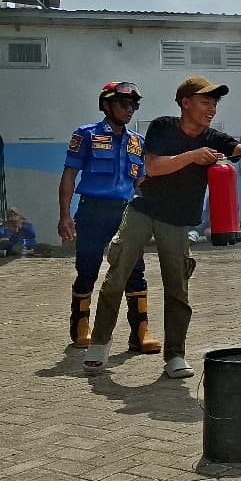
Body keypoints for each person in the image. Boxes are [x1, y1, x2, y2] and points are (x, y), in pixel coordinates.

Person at [83, 76, 241, 378]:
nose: (211, 108)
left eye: (214, 103)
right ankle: (99, 344)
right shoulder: (162, 126)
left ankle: (175, 355)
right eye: (205, 101)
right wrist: (193, 156)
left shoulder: (214, 137)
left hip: (178, 221)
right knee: (117, 276)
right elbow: (154, 166)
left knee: (178, 289)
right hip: (143, 210)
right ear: (185, 102)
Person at [58, 82, 157, 352]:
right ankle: (80, 326)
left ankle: (140, 332)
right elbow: (69, 175)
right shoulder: (85, 135)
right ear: (106, 105)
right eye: (124, 104)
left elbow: (141, 181)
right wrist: (65, 215)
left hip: (127, 213)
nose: (129, 110)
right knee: (87, 269)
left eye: (134, 105)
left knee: (135, 271)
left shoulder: (138, 142)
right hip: (92, 211)